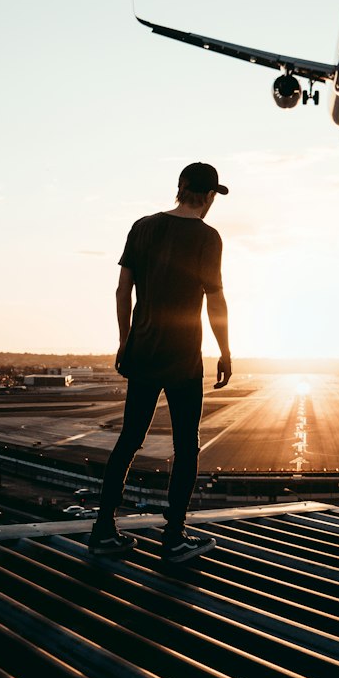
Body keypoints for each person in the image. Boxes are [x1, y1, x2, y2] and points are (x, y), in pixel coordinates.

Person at [89, 162, 232, 561]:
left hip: (143, 349)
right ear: (206, 197)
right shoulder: (208, 237)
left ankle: (103, 529)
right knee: (186, 445)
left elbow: (123, 292)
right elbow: (215, 300)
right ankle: (173, 537)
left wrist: (124, 341)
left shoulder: (142, 226)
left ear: (179, 189)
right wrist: (225, 351)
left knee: (129, 439)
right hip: (183, 354)